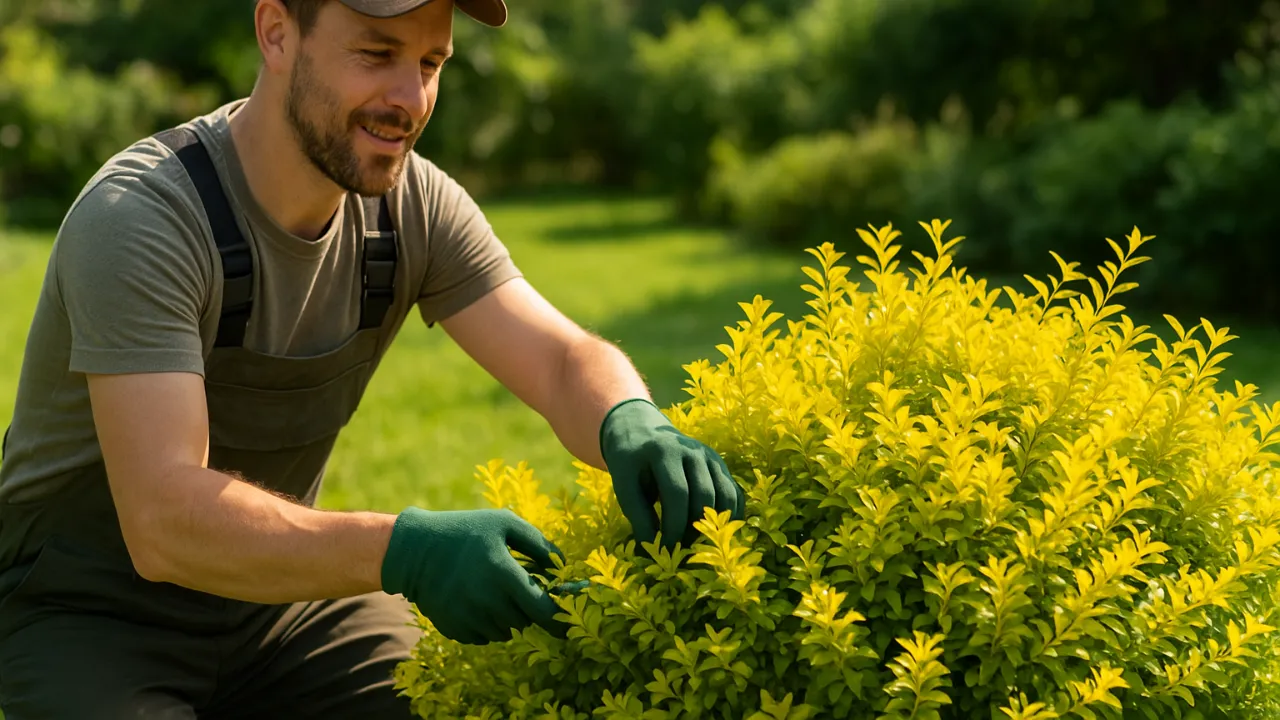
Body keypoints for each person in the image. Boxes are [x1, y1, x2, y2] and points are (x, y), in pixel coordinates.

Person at [0, 0, 746, 717]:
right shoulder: (143, 218)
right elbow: (163, 521)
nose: (409, 98)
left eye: (430, 62)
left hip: (282, 604)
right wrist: (405, 550)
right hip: (87, 616)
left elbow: (558, 358)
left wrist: (631, 417)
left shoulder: (411, 206)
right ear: (277, 34)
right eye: (377, 54)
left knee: (466, 704)